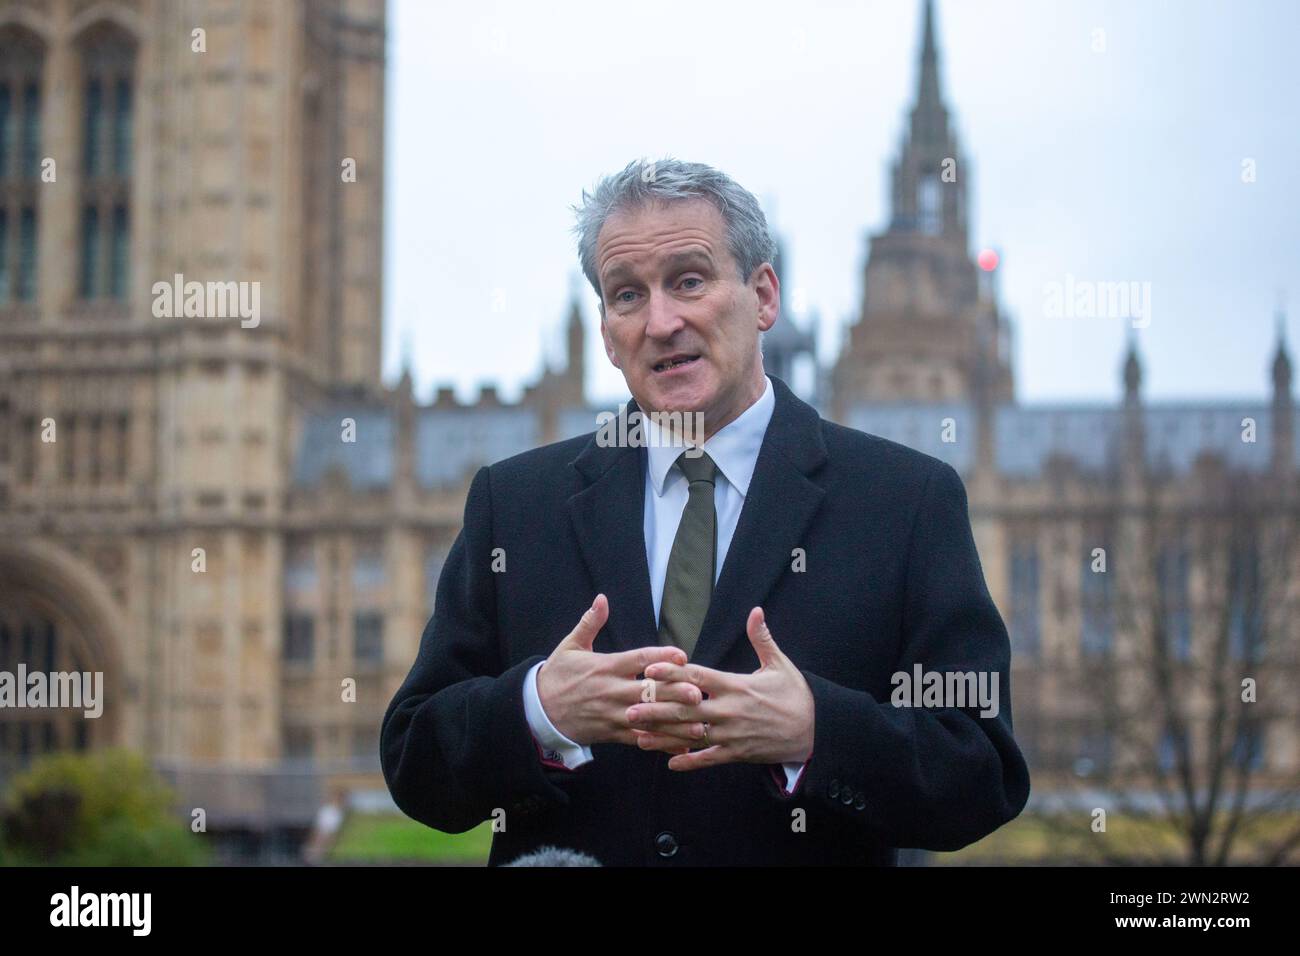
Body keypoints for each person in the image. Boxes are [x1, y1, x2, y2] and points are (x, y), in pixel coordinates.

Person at [380, 157, 1030, 865]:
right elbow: (416, 760)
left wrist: (817, 730)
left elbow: (983, 771)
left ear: (763, 296)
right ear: (604, 330)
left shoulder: (904, 501)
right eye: (627, 295)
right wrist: (537, 711)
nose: (662, 321)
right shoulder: (515, 503)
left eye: (689, 280)